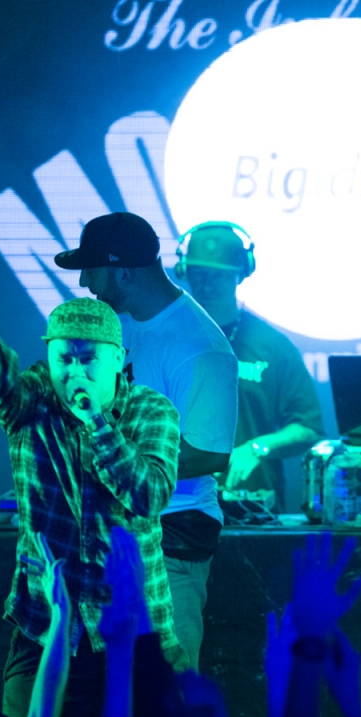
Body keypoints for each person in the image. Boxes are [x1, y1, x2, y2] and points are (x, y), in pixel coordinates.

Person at [0, 294, 185, 717]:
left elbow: (149, 495)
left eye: (87, 358)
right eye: (63, 358)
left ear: (118, 358)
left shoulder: (152, 411)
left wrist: (97, 421)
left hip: (134, 627)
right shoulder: (34, 400)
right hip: (47, 624)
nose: (74, 371)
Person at [56, 211, 238, 672]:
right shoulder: (120, 324)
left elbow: (209, 453)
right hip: (111, 533)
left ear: (122, 272)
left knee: (166, 692)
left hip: (170, 535)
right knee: (107, 690)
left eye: (91, 270)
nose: (84, 283)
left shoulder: (200, 346)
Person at [178, 222, 325, 513]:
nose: (207, 284)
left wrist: (258, 448)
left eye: (219, 275)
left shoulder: (273, 346)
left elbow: (309, 427)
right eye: (199, 273)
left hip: (251, 509)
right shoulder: (163, 339)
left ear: (241, 274)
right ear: (184, 272)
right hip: (173, 506)